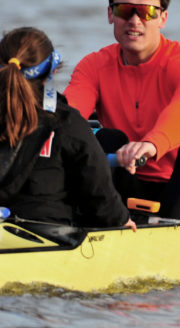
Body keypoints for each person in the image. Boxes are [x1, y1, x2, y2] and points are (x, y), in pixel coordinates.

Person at [66, 0, 180, 221]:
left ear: (163, 18)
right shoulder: (93, 65)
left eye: (147, 12)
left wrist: (151, 144)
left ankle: (171, 236)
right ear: (110, 14)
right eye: (125, 10)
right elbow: (70, 113)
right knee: (106, 139)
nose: (135, 21)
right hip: (130, 180)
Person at [0, 27, 135, 231]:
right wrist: (120, 220)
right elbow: (98, 189)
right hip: (48, 233)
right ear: (53, 68)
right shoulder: (66, 121)